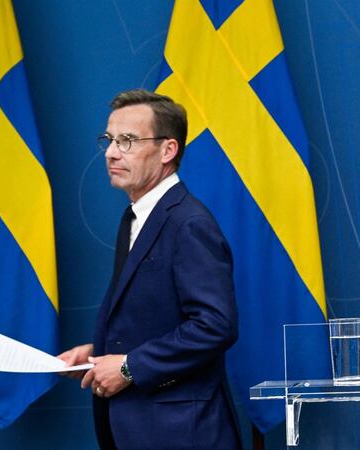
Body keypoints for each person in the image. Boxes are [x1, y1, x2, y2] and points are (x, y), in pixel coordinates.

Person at [59, 89, 240, 449]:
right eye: (109, 140)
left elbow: (215, 325)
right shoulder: (136, 217)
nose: (111, 153)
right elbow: (160, 315)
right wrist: (101, 350)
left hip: (182, 433)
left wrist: (128, 367)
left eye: (127, 141)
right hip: (141, 429)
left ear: (168, 150)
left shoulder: (189, 223)